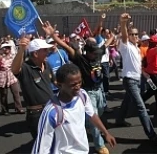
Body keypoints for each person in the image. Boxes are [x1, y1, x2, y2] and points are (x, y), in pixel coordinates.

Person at [42, 21, 114, 154]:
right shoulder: (80, 58)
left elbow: (107, 43)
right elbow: (65, 45)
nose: (96, 55)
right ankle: (99, 145)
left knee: (100, 112)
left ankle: (85, 122)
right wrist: (53, 35)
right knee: (94, 118)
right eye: (93, 53)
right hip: (88, 92)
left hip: (99, 90)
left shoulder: (98, 53)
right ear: (88, 52)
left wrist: (116, 32)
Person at [32, 64, 116, 154]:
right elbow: (41, 148)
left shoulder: (82, 95)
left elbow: (92, 115)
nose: (78, 87)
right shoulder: (51, 112)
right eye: (73, 85)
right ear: (59, 85)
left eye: (79, 82)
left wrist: (106, 133)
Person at [115, 13, 157, 145]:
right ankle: (152, 136)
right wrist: (123, 23)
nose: (135, 36)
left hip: (136, 79)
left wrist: (144, 74)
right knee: (141, 107)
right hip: (129, 80)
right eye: (132, 34)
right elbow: (124, 35)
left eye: (136, 34)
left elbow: (137, 65)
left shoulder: (136, 48)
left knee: (126, 102)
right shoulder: (126, 46)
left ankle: (119, 120)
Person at [11, 37, 55, 139]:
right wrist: (21, 50)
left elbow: (55, 82)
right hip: (37, 115)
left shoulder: (47, 64)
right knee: (42, 145)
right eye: (45, 50)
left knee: (54, 141)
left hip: (51, 110)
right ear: (35, 54)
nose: (48, 52)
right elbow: (14, 69)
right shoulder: (26, 68)